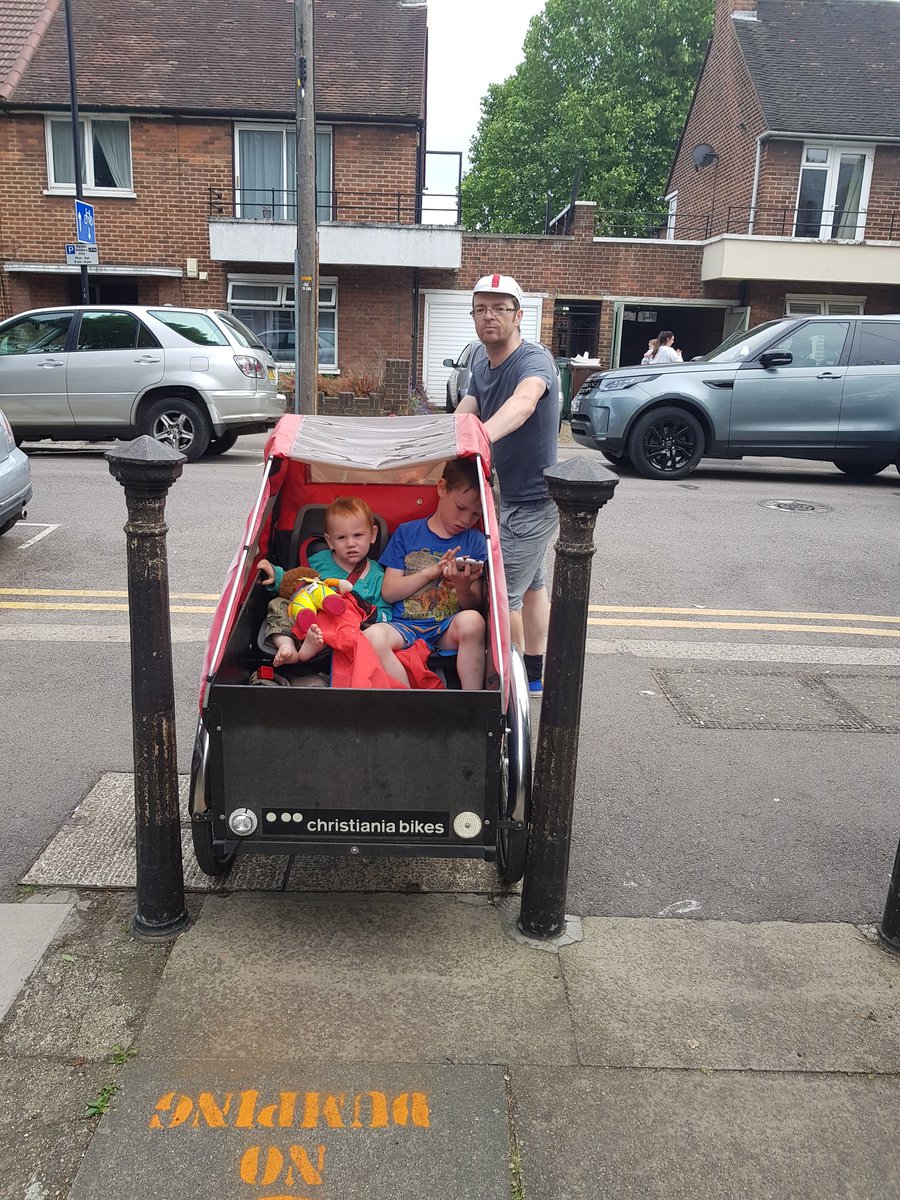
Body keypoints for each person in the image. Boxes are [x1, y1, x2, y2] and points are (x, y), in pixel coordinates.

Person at [455, 273, 560, 696]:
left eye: (499, 308)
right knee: (533, 587)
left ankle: (511, 685)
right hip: (504, 494)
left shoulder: (534, 361)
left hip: (533, 498)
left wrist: (478, 437)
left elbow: (522, 403)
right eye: (480, 309)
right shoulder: (481, 360)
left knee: (505, 596)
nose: (488, 316)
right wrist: (436, 439)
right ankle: (533, 675)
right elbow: (468, 407)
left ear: (518, 316)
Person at [364, 458, 488, 690]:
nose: (466, 520)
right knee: (372, 637)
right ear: (441, 488)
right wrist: (431, 572)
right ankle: (411, 701)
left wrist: (462, 586)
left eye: (475, 515)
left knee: (474, 622)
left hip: (447, 626)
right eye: (461, 508)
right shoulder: (407, 532)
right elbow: (389, 592)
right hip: (403, 625)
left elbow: (474, 606)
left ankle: (473, 700)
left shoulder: (476, 541)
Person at [258, 496, 390, 667]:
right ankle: (287, 645)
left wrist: (367, 617)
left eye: (358, 535)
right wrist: (275, 575)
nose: (350, 543)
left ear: (372, 535)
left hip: (345, 631)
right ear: (330, 541)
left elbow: (385, 612)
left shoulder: (377, 574)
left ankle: (312, 646)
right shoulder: (317, 561)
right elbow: (298, 580)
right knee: (279, 604)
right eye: (341, 538)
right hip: (311, 619)